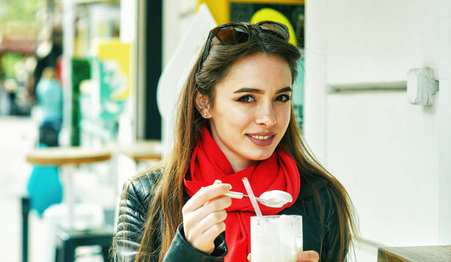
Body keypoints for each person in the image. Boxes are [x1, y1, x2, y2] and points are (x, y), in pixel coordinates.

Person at [114, 21, 358, 262]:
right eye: (247, 98)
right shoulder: (146, 196)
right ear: (204, 103)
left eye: (281, 97)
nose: (269, 118)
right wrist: (187, 252)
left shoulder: (321, 196)